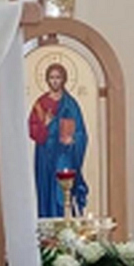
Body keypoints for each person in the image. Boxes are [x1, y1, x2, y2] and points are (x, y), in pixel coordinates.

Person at [28, 63, 89, 217]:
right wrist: (46, 125)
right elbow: (32, 130)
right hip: (45, 155)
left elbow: (81, 132)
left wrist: (73, 139)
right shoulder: (40, 104)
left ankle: (66, 224)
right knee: (46, 191)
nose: (55, 81)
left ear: (64, 80)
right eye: (52, 78)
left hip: (64, 154)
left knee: (61, 192)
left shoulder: (70, 104)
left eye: (58, 77)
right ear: (47, 80)